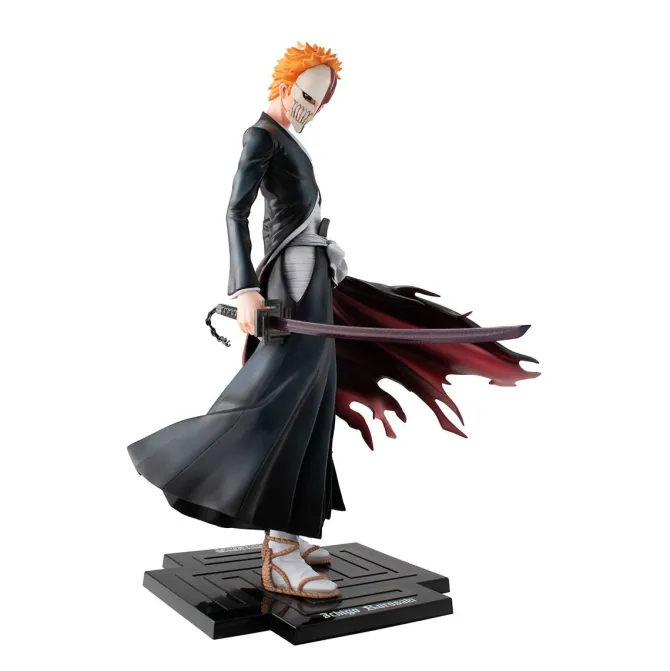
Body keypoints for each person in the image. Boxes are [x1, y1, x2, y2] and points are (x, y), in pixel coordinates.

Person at [128, 43, 539, 600]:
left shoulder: (290, 139)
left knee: (317, 400)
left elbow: (295, 214)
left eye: (320, 101)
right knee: (283, 401)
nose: (311, 107)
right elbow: (235, 211)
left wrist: (327, 247)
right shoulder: (261, 136)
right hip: (290, 288)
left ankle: (290, 530)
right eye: (306, 94)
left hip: (314, 279)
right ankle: (275, 550)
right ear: (285, 82)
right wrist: (245, 288)